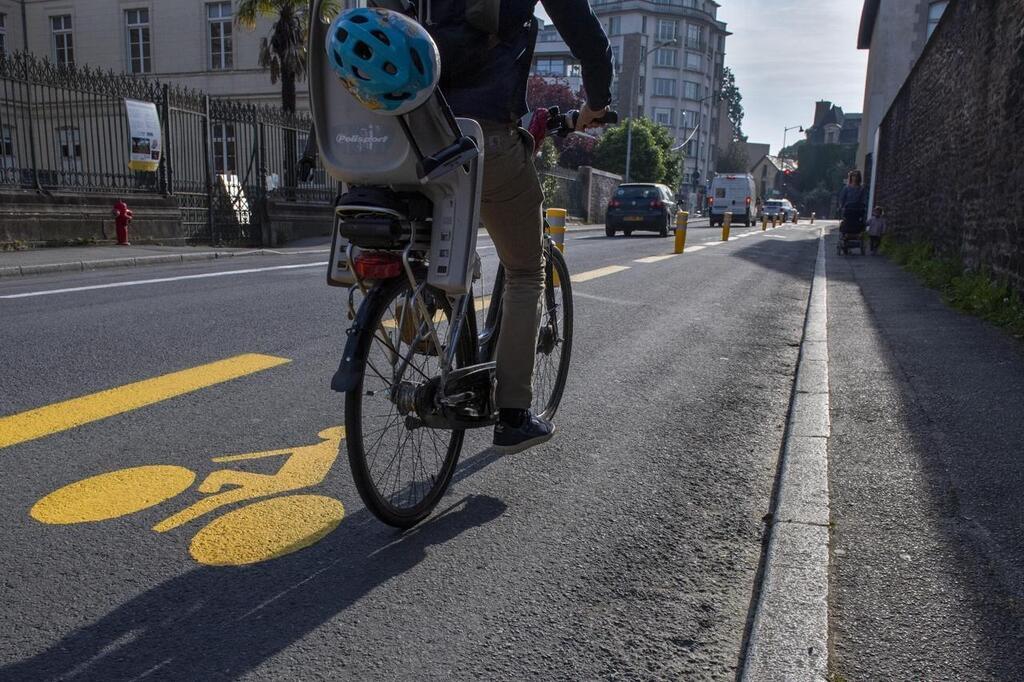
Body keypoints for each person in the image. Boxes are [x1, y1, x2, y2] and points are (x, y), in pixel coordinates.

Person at [434, 1, 613, 453]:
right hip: (483, 134)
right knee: (526, 271)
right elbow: (584, 31)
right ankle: (513, 413)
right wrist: (597, 100)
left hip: (413, 129)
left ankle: (416, 311)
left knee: (427, 243)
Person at [837, 170, 868, 235]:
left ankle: (858, 232)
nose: (855, 178)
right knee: (846, 220)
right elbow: (842, 198)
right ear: (851, 177)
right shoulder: (846, 188)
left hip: (858, 209)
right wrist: (840, 206)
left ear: (859, 178)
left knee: (859, 220)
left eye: (857, 176)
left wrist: (863, 206)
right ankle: (845, 233)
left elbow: (864, 199)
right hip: (848, 209)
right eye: (853, 176)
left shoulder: (861, 189)